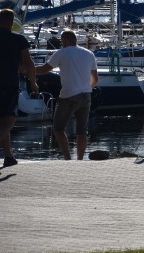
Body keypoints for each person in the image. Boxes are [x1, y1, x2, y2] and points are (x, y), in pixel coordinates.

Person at [35, 30, 98, 161]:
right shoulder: (89, 53)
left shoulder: (62, 53)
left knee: (58, 128)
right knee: (82, 131)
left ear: (65, 40)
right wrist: (87, 89)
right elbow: (95, 79)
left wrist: (28, 69)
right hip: (86, 95)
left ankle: (68, 159)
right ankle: (80, 159)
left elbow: (43, 70)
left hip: (69, 96)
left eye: (62, 41)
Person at [0, 8, 39, 168]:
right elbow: (29, 63)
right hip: (8, 83)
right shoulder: (18, 40)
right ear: (10, 21)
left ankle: (9, 156)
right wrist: (33, 82)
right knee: (10, 119)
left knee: (2, 120)